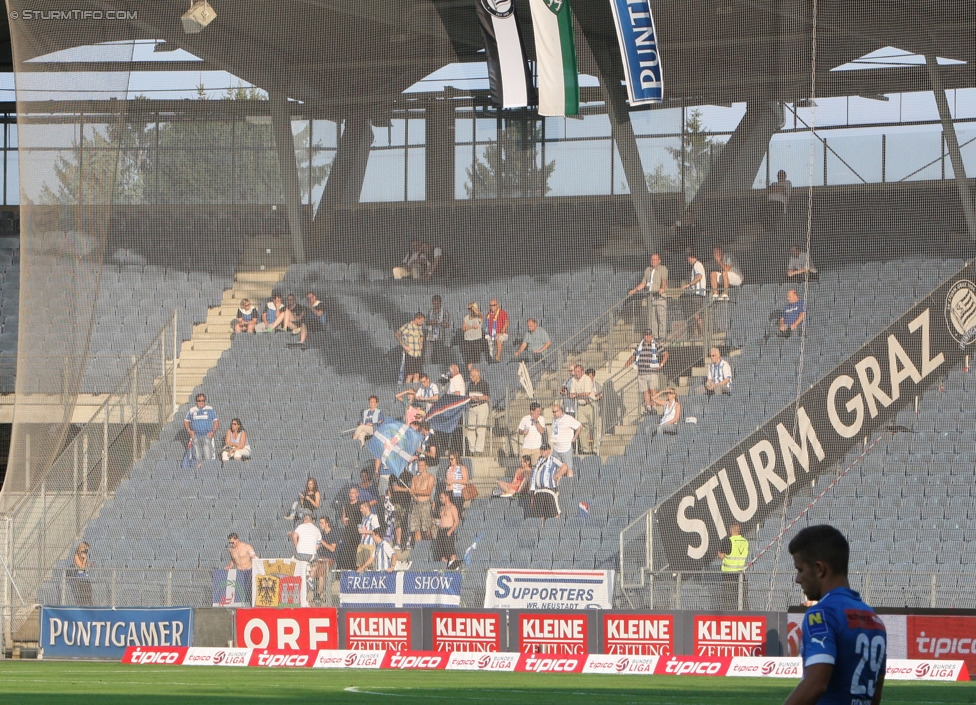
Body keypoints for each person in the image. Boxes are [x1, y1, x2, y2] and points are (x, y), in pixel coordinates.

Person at [784, 525, 886, 705]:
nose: (797, 579)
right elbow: (875, 697)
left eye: (800, 570)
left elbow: (816, 684)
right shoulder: (874, 619)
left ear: (819, 569)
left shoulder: (821, 614)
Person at [625, 330, 669, 416]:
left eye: (649, 335)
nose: (647, 337)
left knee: (653, 390)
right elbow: (634, 356)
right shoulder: (640, 345)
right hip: (642, 372)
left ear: (651, 336)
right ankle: (648, 407)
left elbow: (666, 353)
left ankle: (654, 407)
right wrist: (627, 363)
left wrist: (661, 364)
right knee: (645, 390)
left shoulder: (655, 344)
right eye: (646, 335)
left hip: (652, 372)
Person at [628, 253, 669, 340]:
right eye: (652, 259)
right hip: (650, 297)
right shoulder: (648, 270)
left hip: (659, 297)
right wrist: (634, 290)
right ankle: (654, 337)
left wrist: (662, 288)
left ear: (659, 261)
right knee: (652, 318)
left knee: (661, 317)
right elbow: (643, 283)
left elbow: (664, 280)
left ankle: (662, 336)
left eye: (654, 259)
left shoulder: (662, 268)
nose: (652, 261)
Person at [529, 444, 569, 523]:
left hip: (549, 490)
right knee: (539, 515)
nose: (543, 451)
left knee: (553, 513)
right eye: (542, 449)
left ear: (549, 450)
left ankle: (556, 528)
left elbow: (564, 467)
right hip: (538, 491)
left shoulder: (553, 459)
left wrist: (558, 474)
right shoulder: (538, 461)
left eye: (545, 449)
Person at [718, 521, 749, 610]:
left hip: (729, 574)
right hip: (741, 573)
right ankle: (745, 616)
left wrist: (719, 552)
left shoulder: (728, 541)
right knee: (743, 599)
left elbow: (721, 556)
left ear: (731, 529)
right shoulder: (745, 541)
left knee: (727, 599)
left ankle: (727, 616)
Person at [184, 393, 219, 465]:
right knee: (195, 442)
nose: (201, 402)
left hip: (207, 434)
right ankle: (198, 463)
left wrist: (213, 431)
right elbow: (186, 421)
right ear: (196, 401)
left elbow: (216, 421)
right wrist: (189, 431)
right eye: (199, 401)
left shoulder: (210, 409)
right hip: (196, 434)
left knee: (206, 442)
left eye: (203, 400)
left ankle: (208, 463)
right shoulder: (192, 410)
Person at [569, 364, 597, 454]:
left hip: (590, 404)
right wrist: (577, 395)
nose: (576, 373)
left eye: (578, 371)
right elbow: (571, 394)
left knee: (594, 427)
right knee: (581, 427)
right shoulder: (573, 380)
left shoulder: (587, 379)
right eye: (575, 371)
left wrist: (577, 395)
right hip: (580, 406)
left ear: (582, 371)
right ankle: (586, 449)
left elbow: (587, 393)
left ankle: (595, 448)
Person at [549, 402, 581, 477]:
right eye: (553, 412)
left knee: (569, 468)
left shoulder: (568, 418)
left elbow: (579, 426)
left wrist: (574, 438)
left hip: (565, 448)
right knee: (557, 469)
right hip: (556, 448)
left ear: (560, 410)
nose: (554, 414)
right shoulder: (554, 419)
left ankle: (570, 485)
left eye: (555, 411)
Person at [311, 517, 337, 605]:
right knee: (313, 566)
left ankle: (318, 594)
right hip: (321, 557)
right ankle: (310, 582)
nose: (320, 524)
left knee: (321, 572)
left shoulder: (333, 533)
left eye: (322, 523)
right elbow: (318, 546)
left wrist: (322, 542)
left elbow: (332, 549)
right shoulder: (322, 534)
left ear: (327, 524)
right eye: (320, 523)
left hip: (329, 558)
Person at [409, 457, 436, 544]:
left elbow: (428, 491)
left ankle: (429, 547)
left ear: (426, 466)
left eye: (422, 465)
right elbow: (411, 491)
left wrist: (415, 491)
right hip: (416, 504)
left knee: (427, 528)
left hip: (425, 504)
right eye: (419, 465)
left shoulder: (430, 477)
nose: (420, 467)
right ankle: (418, 549)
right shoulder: (415, 478)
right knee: (416, 529)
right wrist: (413, 495)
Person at [465, 366, 490, 455]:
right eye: (471, 376)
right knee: (470, 429)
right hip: (472, 407)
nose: (471, 378)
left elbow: (487, 397)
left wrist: (478, 398)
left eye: (473, 376)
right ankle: (472, 449)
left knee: (480, 429)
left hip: (481, 406)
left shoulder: (484, 384)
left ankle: (479, 450)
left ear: (477, 375)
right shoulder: (470, 385)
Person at [681, 251, 708, 333]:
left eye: (688, 258)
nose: (688, 260)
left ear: (691, 257)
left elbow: (699, 276)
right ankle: (696, 334)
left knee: (697, 315)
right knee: (694, 315)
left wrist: (689, 284)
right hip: (695, 294)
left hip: (698, 294)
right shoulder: (694, 266)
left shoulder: (697, 265)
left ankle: (703, 333)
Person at [396, 312, 425, 385]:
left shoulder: (419, 327)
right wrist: (404, 345)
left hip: (418, 354)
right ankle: (407, 389)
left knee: (417, 374)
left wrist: (421, 342)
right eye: (421, 321)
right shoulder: (407, 326)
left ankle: (414, 391)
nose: (422, 322)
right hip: (410, 353)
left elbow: (421, 335)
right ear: (417, 319)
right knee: (410, 374)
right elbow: (397, 333)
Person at [338, 487, 363, 571]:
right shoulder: (346, 505)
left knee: (356, 552)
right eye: (350, 493)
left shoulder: (360, 505)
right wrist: (344, 520)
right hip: (348, 533)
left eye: (353, 493)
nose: (351, 494)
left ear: (357, 494)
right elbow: (343, 517)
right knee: (348, 553)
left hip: (357, 533)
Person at [435, 489, 460, 570]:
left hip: (448, 531)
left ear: (447, 497)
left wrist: (450, 531)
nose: (440, 499)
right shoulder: (442, 507)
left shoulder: (452, 507)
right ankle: (444, 568)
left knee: (450, 551)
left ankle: (454, 568)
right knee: (442, 552)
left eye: (442, 497)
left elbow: (456, 521)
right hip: (441, 531)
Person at [389, 464, 413, 549]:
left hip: (407, 502)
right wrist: (406, 489)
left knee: (407, 522)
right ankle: (398, 542)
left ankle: (407, 541)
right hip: (397, 503)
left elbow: (412, 487)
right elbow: (394, 488)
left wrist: (409, 490)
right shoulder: (393, 476)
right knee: (398, 522)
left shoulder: (409, 475)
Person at [425, 295, 452, 367]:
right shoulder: (430, 311)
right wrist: (432, 322)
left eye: (437, 303)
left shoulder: (445, 312)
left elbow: (447, 325)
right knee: (428, 355)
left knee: (440, 355)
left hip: (440, 337)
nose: (435, 305)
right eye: (434, 303)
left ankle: (440, 367)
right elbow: (426, 322)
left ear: (440, 303)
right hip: (430, 337)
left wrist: (439, 323)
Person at [517, 402, 547, 466]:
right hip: (526, 447)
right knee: (524, 466)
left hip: (537, 447)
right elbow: (519, 430)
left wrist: (536, 421)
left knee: (536, 466)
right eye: (537, 411)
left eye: (539, 411)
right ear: (532, 411)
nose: (539, 413)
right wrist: (523, 432)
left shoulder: (541, 419)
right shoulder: (525, 419)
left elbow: (542, 431)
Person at [444, 452, 470, 517]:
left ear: (457, 459)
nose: (450, 461)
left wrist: (454, 481)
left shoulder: (462, 468)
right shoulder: (449, 468)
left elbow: (465, 481)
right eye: (449, 459)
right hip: (449, 491)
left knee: (457, 511)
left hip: (458, 492)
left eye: (452, 459)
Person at [356, 501, 380, 568]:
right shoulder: (363, 518)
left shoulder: (373, 517)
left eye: (362, 508)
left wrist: (364, 531)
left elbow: (376, 531)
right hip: (362, 543)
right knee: (359, 564)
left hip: (369, 545)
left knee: (369, 565)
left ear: (367, 508)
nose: (361, 510)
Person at [68, 541, 93, 606]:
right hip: (80, 578)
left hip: (86, 578)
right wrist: (85, 559)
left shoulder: (84, 556)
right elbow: (81, 568)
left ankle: (90, 607)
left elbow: (84, 566)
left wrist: (89, 565)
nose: (85, 550)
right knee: (83, 595)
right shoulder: (76, 556)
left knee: (89, 594)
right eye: (84, 548)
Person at [461, 303, 484, 370]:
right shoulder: (466, 318)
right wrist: (472, 327)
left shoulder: (478, 318)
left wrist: (475, 309)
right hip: (468, 340)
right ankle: (469, 372)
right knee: (469, 359)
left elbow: (480, 316)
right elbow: (464, 328)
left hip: (476, 340)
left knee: (476, 359)